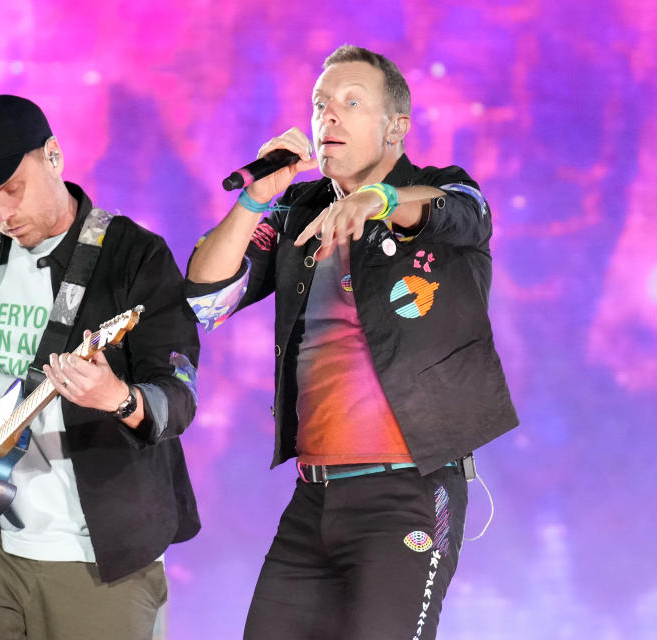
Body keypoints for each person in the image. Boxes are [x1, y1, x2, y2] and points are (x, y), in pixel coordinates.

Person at [185, 45, 518, 639]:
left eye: (350, 102)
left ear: (395, 127)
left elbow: (469, 213)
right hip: (313, 499)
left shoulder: (440, 191)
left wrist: (381, 199)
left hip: (408, 494)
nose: (328, 116)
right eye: (320, 104)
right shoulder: (298, 212)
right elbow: (206, 299)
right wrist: (259, 196)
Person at [0, 94, 201, 640]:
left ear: (54, 156)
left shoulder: (133, 254)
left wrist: (119, 398)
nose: (3, 213)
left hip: (100, 551)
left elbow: (179, 392)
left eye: (12, 189)